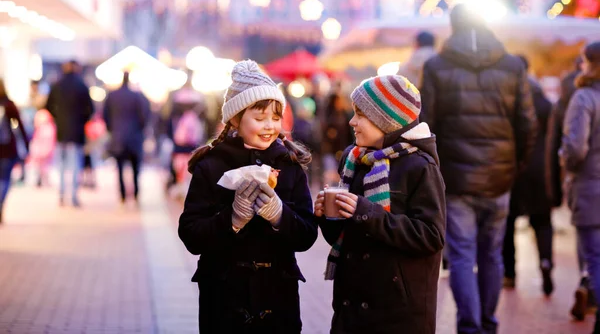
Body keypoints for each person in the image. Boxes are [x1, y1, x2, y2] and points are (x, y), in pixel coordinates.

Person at [420, 4, 537, 334]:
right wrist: (515, 165)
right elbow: (527, 123)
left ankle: (470, 327)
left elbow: (427, 125)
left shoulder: (436, 66)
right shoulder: (512, 65)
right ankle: (488, 322)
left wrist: (437, 170)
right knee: (492, 255)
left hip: (456, 179)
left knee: (461, 256)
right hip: (500, 177)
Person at [178, 60, 318, 333]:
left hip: (279, 296)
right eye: (259, 117)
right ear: (235, 118)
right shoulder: (211, 165)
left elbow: (307, 235)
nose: (269, 126)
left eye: (275, 117)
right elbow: (191, 235)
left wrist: (279, 215)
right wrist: (233, 219)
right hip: (223, 297)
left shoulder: (289, 165)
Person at [315, 75, 446, 334]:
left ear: (386, 120)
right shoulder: (355, 161)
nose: (352, 122)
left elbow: (431, 236)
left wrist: (366, 212)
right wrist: (328, 217)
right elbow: (346, 239)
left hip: (397, 311)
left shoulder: (420, 166)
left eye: (361, 115)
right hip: (351, 308)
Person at [502, 55, 554, 296]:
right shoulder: (542, 98)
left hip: (514, 166)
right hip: (539, 168)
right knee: (542, 221)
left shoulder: (509, 96)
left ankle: (510, 274)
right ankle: (545, 262)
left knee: (509, 222)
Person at [560, 41, 600, 333]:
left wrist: (565, 160)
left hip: (591, 189)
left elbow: (575, 148)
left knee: (595, 259)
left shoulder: (584, 97)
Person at [45, 60, 94, 207]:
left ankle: (61, 193)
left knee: (61, 164)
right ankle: (72, 195)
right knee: (74, 165)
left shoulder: (57, 85)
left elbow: (48, 106)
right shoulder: (81, 85)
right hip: (76, 132)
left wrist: (58, 118)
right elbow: (90, 109)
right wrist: (81, 121)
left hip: (61, 131)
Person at [103, 72, 150, 204]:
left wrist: (111, 129)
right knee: (136, 169)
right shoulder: (137, 96)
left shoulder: (112, 96)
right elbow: (144, 117)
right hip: (134, 137)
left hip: (118, 137)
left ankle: (123, 195)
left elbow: (105, 116)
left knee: (120, 169)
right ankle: (135, 195)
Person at [0, 79, 29, 224]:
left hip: (7, 149)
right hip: (6, 149)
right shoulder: (9, 105)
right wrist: (26, 144)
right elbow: (20, 125)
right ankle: (0, 203)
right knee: (5, 180)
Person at [28, 109, 56, 187]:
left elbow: (48, 141)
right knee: (40, 167)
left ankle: (43, 181)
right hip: (41, 150)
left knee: (45, 167)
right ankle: (40, 181)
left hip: (45, 150)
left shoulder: (48, 128)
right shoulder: (44, 128)